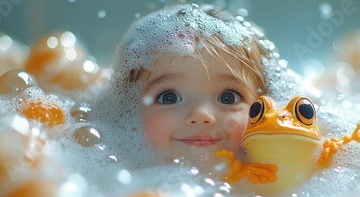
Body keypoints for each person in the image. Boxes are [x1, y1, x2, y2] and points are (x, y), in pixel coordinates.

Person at [94, 3, 313, 171]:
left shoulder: (281, 177)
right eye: (169, 97)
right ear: (127, 108)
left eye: (228, 97)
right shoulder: (104, 169)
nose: (201, 115)